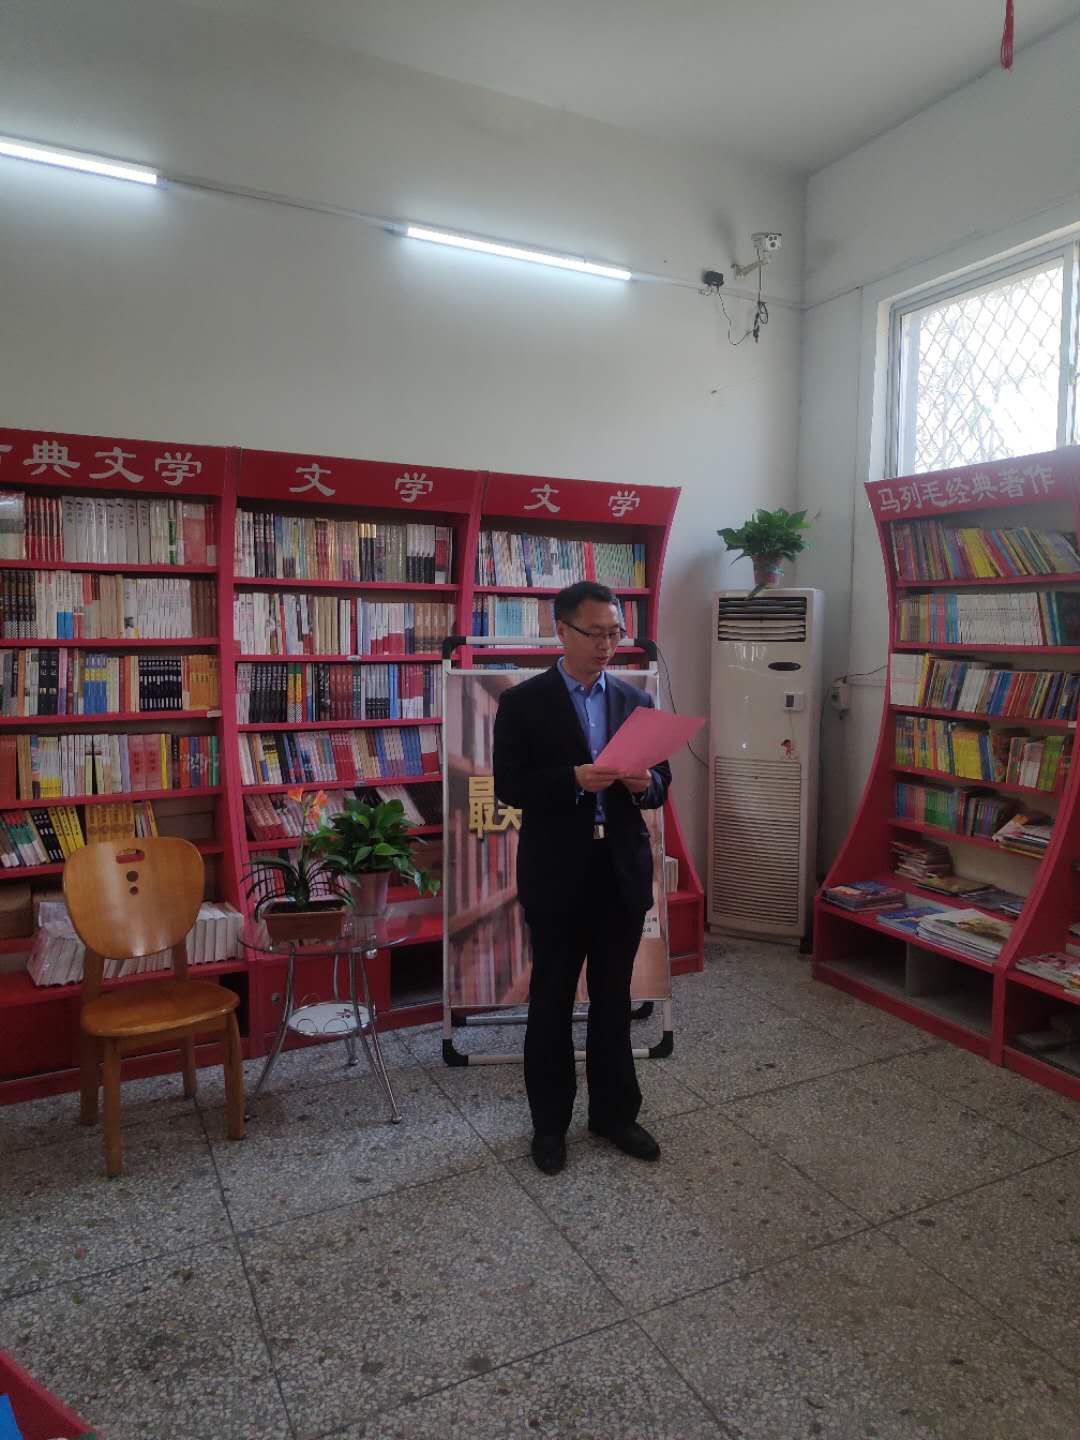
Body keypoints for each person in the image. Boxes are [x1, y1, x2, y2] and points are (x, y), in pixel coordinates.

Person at [492, 580, 671, 1175]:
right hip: (557, 871)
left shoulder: (634, 700)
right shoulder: (524, 703)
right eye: (594, 633)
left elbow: (662, 783)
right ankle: (549, 1125)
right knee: (551, 999)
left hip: (619, 869)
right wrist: (572, 779)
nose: (606, 645)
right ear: (561, 631)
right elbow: (509, 787)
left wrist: (647, 784)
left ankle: (614, 1115)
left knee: (614, 997)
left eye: (615, 634)